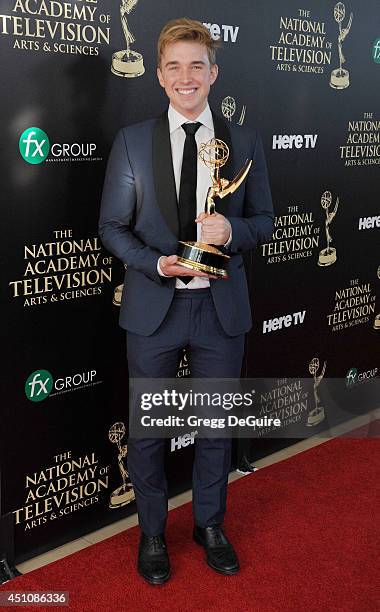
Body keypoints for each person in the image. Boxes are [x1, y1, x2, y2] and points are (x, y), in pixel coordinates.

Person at [99, 17, 274, 585]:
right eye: (174, 66)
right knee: (148, 431)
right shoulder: (131, 141)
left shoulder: (243, 142)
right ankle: (153, 531)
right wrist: (154, 263)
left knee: (215, 427)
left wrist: (231, 230)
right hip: (155, 306)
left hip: (221, 310)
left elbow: (266, 222)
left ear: (214, 73)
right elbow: (112, 228)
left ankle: (209, 524)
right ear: (158, 75)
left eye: (196, 64)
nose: (185, 76)